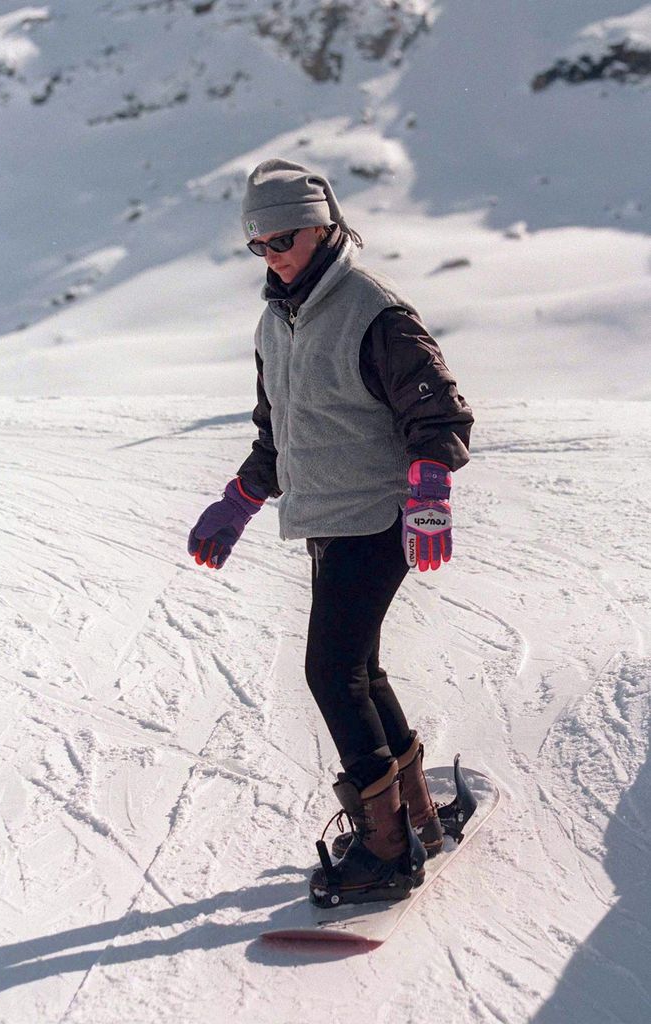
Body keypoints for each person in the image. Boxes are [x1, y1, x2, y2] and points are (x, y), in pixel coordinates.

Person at [188, 158, 474, 907]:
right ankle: (413, 820)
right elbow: (277, 431)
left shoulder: (373, 310)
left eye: (284, 238)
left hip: (377, 518)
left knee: (330, 671)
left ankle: (386, 851)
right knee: (359, 671)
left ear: (325, 225)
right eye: (260, 245)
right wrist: (240, 499)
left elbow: (437, 412)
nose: (273, 254)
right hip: (326, 518)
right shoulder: (274, 323)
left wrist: (430, 482)